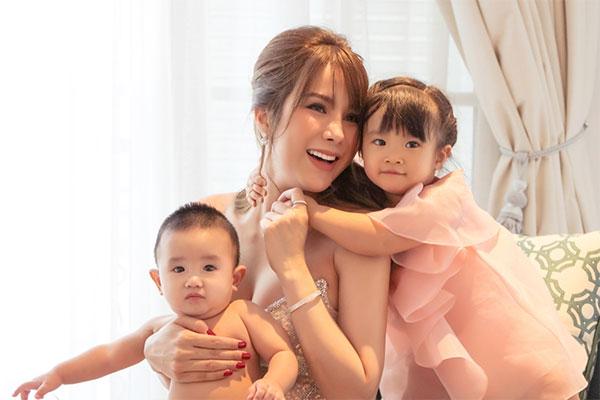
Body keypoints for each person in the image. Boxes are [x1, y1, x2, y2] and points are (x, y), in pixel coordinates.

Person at [248, 76, 589, 399]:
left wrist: (312, 211)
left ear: (440, 155)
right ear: (361, 149)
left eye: (412, 144)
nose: (394, 156)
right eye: (380, 142)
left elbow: (380, 237)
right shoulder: (378, 192)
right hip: (437, 337)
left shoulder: (445, 198)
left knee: (527, 386)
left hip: (492, 331)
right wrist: (260, 175)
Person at [142, 26, 390, 399]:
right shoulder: (209, 216)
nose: (338, 133)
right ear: (264, 117)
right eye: (318, 107)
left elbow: (357, 393)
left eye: (351, 116)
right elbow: (189, 364)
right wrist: (156, 346)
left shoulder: (357, 239)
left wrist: (292, 268)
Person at [13, 203, 298, 400]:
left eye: (209, 268)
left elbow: (283, 354)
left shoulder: (243, 313)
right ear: (158, 281)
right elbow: (109, 355)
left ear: (235, 277)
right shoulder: (160, 329)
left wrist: (272, 383)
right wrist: (59, 374)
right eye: (178, 269)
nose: (193, 280)